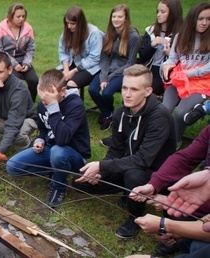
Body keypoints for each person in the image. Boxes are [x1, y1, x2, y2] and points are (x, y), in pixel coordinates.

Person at [73, 64, 177, 239]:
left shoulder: (160, 116)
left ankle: (135, 218)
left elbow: (144, 159)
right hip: (129, 164)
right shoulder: (121, 112)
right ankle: (127, 192)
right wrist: (102, 170)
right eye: (124, 88)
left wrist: (102, 165)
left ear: (148, 91)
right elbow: (116, 149)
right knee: (80, 181)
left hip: (155, 173)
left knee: (133, 176)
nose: (127, 94)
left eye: (134, 89)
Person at [6, 69, 90, 207]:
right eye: (42, 97)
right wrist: (40, 140)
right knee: (12, 166)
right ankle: (55, 170)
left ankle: (59, 186)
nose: (44, 102)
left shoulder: (76, 106)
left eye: (48, 98)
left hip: (73, 154)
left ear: (62, 91)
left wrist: (53, 107)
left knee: (58, 151)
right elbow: (44, 129)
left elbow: (63, 139)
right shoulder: (42, 105)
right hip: (51, 149)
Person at [131, 125, 210, 255]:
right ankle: (182, 241)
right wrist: (153, 185)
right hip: (202, 199)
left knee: (199, 246)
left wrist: (165, 225)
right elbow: (186, 158)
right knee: (176, 209)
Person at [161, 2, 210, 149]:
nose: (204, 23)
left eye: (208, 19)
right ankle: (160, 138)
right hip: (179, 80)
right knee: (164, 110)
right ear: (192, 18)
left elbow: (208, 68)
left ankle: (175, 141)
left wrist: (188, 73)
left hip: (201, 83)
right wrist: (165, 67)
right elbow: (172, 59)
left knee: (181, 113)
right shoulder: (180, 36)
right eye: (200, 19)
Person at [88, 4, 140, 131]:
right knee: (93, 90)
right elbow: (104, 58)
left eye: (119, 17)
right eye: (114, 16)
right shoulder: (109, 34)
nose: (116, 19)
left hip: (124, 71)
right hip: (108, 69)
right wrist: (104, 76)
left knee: (106, 92)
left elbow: (131, 63)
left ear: (126, 18)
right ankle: (108, 113)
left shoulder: (133, 37)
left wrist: (109, 78)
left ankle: (111, 115)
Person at [0, 3, 38, 102]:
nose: (21, 19)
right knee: (16, 81)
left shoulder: (28, 28)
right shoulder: (0, 28)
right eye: (18, 16)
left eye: (23, 16)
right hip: (6, 60)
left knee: (34, 80)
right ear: (10, 16)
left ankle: (29, 104)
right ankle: (15, 104)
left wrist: (27, 63)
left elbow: (31, 49)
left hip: (23, 59)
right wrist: (13, 64)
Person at [137, 0, 183, 96]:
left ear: (173, 14)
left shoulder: (181, 34)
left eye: (163, 12)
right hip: (148, 68)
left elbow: (187, 59)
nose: (158, 15)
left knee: (145, 92)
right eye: (158, 11)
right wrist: (152, 45)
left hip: (165, 73)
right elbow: (142, 56)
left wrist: (170, 54)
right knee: (133, 87)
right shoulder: (151, 31)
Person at [57, 6, 103, 93]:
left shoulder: (94, 33)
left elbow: (94, 58)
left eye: (73, 24)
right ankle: (56, 105)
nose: (69, 26)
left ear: (80, 23)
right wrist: (66, 69)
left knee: (71, 84)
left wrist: (74, 71)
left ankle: (72, 106)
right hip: (72, 62)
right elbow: (63, 52)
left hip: (91, 67)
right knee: (53, 79)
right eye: (67, 23)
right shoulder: (67, 31)